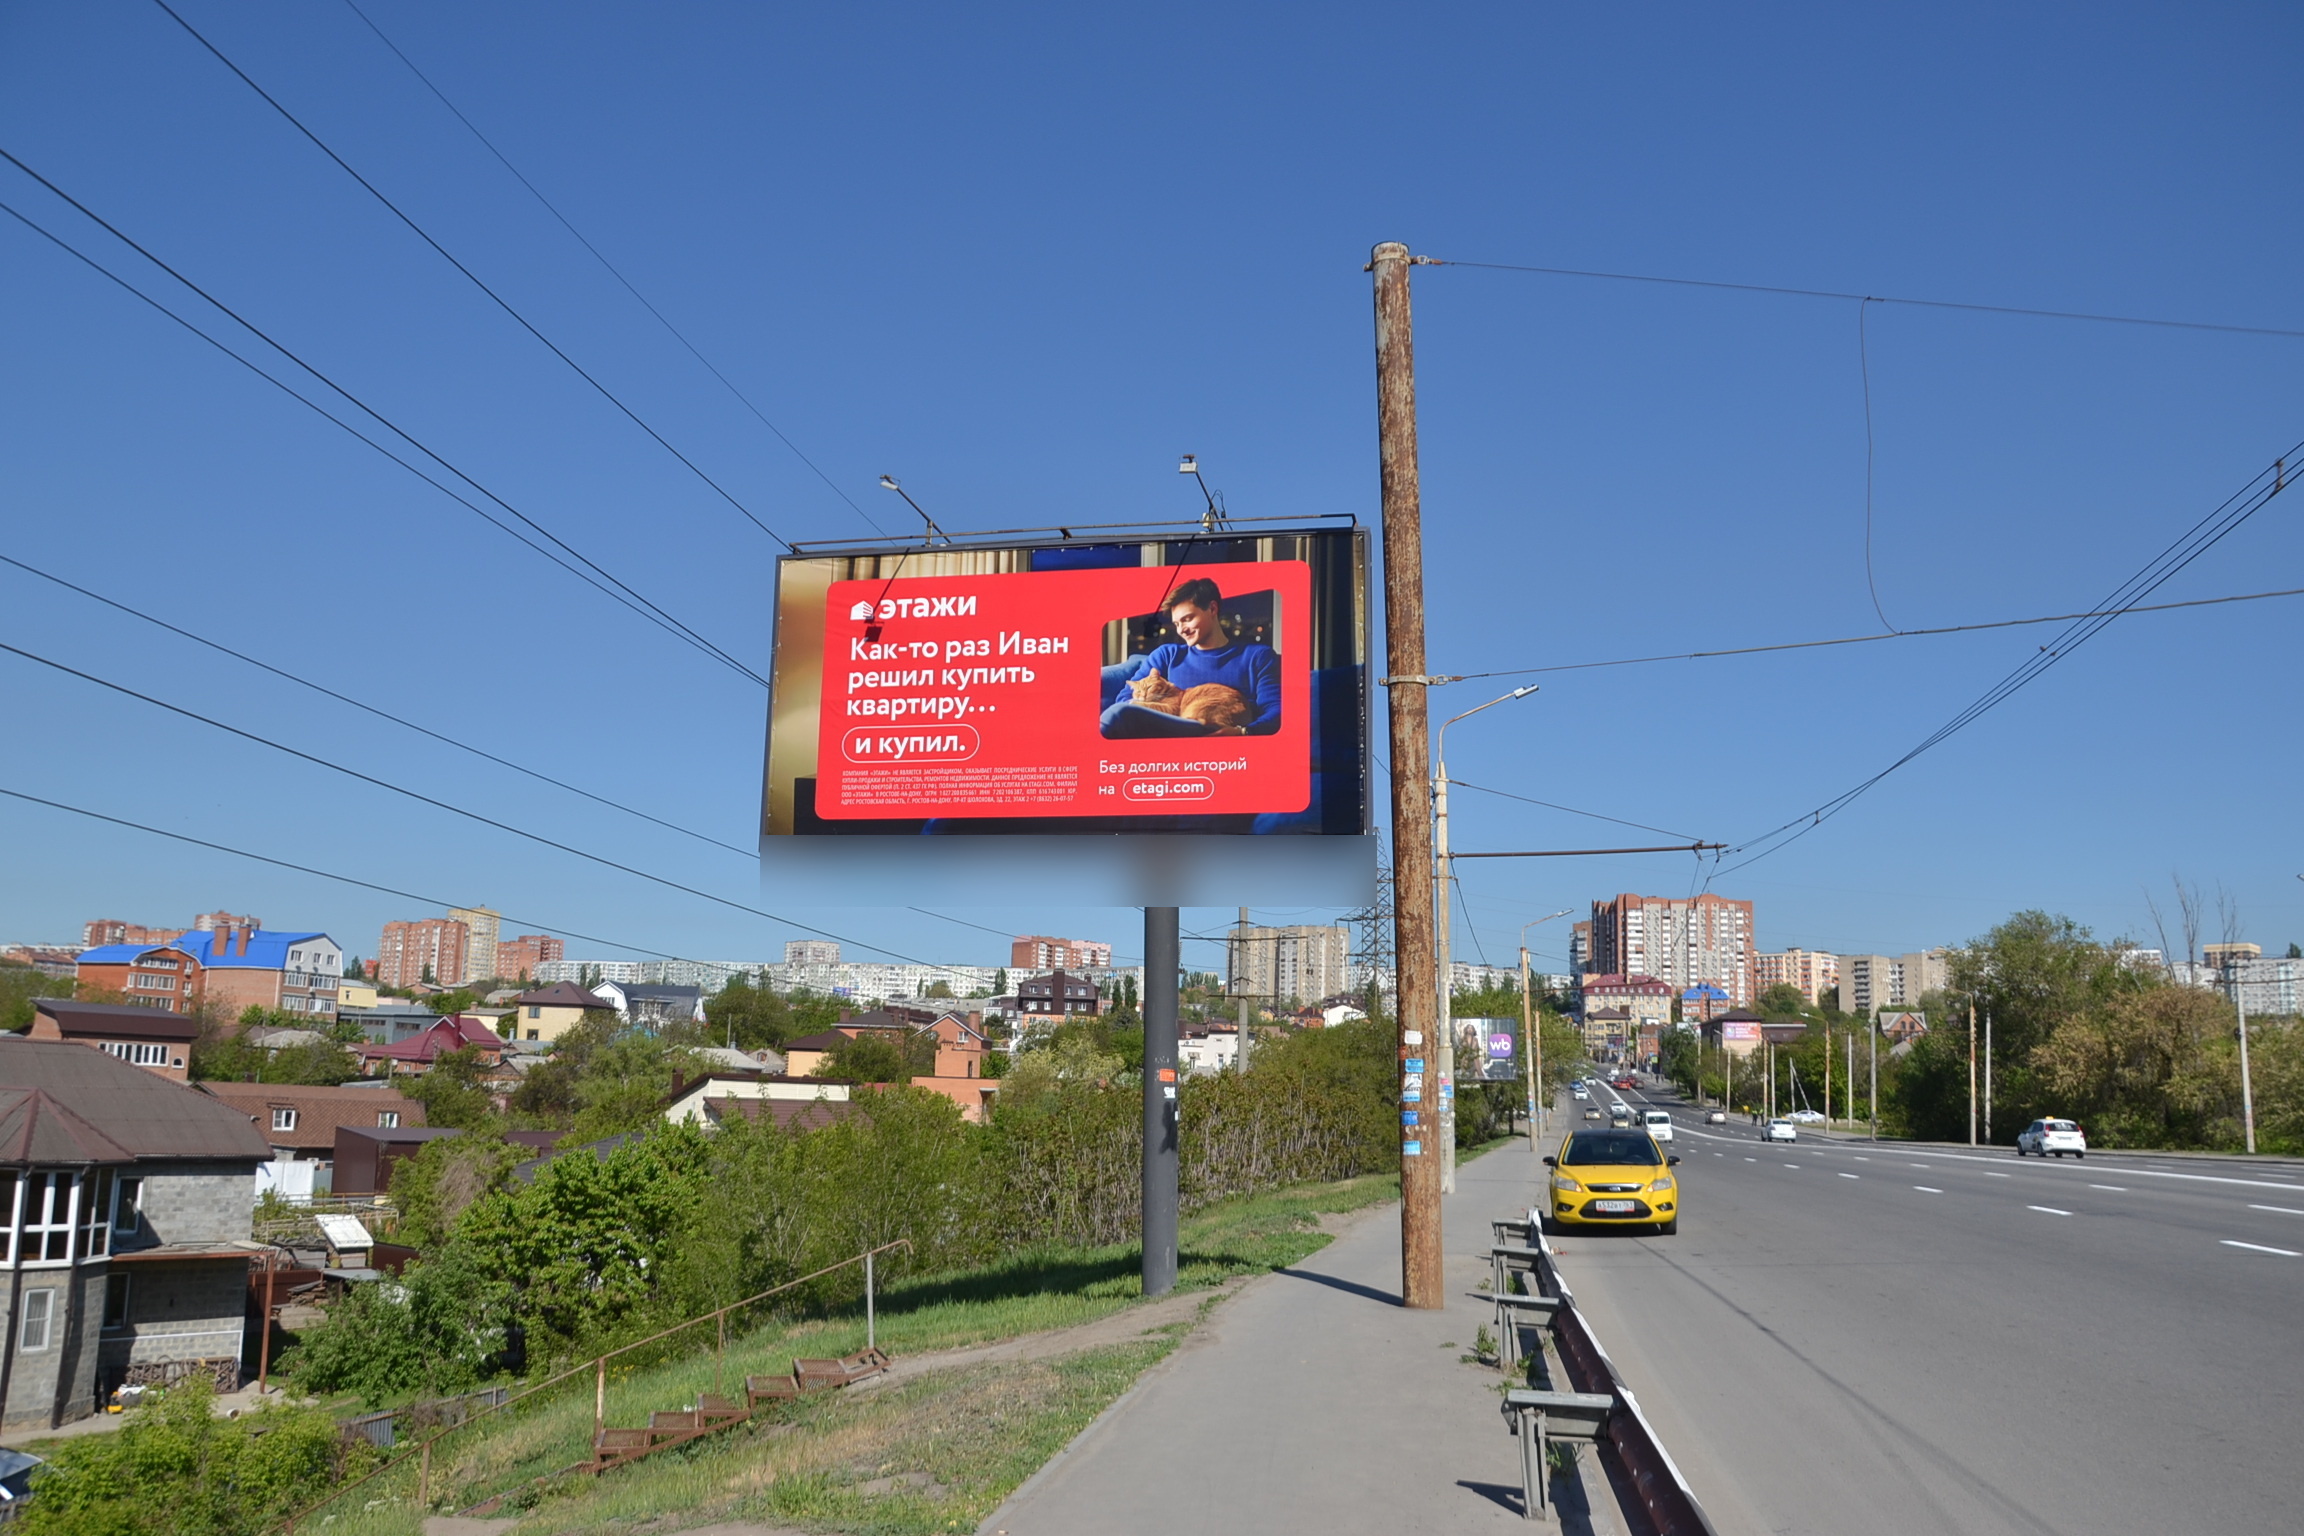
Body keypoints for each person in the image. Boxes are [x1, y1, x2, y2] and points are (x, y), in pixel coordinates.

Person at [1099, 577, 1281, 738]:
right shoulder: (1167, 655)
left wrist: (1243, 732)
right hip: (1170, 740)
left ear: (1212, 609)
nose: (1181, 630)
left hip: (1228, 741)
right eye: (1177, 623)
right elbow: (1125, 700)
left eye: (1187, 619)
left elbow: (1275, 711)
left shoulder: (1257, 656)